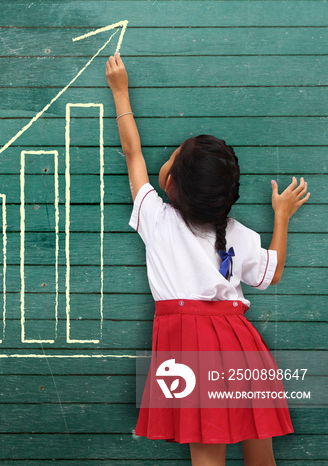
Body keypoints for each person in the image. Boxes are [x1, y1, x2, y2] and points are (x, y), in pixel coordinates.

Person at [105, 51, 310, 465]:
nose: (166, 159)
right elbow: (272, 272)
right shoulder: (232, 231)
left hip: (191, 348)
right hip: (240, 343)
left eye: (172, 159)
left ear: (172, 184)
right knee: (259, 453)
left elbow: (132, 155)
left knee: (208, 456)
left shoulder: (156, 218)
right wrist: (282, 216)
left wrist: (120, 92)